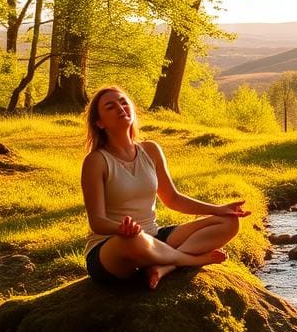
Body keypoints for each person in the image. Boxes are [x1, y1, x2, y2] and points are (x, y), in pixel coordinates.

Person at [81, 85, 250, 289]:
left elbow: (172, 199)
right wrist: (122, 229)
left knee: (229, 222)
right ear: (99, 122)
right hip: (114, 247)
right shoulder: (96, 161)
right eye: (110, 106)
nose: (120, 108)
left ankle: (165, 266)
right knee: (133, 240)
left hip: (153, 237)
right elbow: (97, 222)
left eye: (123, 102)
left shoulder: (150, 150)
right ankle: (190, 259)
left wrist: (218, 209)